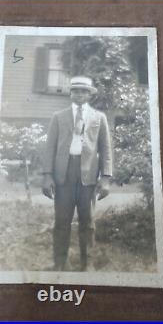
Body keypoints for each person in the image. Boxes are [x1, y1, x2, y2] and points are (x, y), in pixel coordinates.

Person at [42, 76, 112, 271]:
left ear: (90, 94)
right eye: (76, 91)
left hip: (88, 176)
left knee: (87, 221)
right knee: (62, 220)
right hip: (63, 175)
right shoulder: (59, 116)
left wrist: (105, 178)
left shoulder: (99, 118)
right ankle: (59, 263)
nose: (79, 94)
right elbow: (50, 148)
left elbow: (106, 149)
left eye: (84, 91)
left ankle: (86, 263)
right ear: (70, 93)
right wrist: (47, 175)